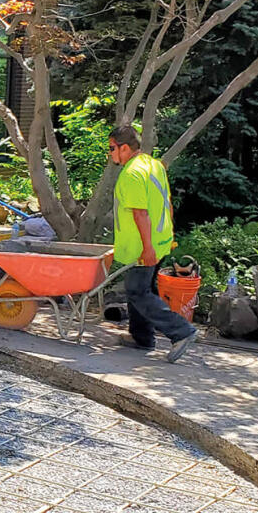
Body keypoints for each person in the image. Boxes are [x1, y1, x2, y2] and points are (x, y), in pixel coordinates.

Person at [109, 123, 196, 362]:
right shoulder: (153, 165)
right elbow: (166, 203)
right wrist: (166, 237)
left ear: (124, 148)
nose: (110, 153)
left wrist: (147, 248)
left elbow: (140, 213)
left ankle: (182, 332)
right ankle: (142, 337)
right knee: (141, 289)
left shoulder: (132, 173)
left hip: (142, 246)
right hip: (161, 240)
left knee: (137, 291)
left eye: (112, 148)